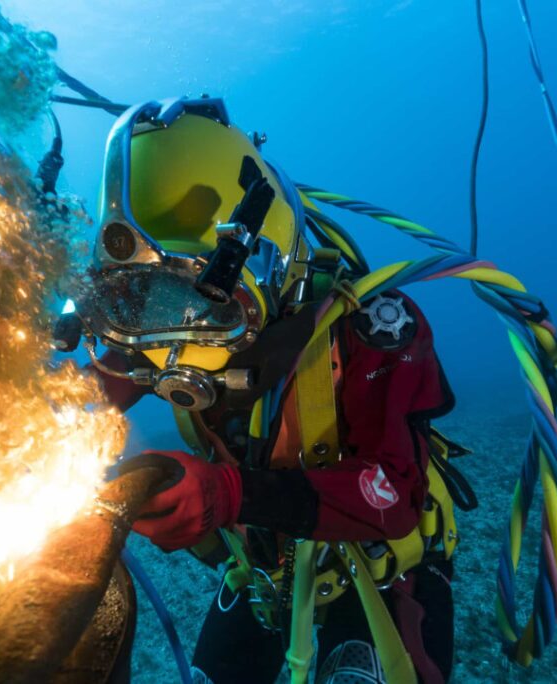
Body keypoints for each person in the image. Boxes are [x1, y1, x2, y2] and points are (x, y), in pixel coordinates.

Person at [58, 96, 472, 684]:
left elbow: (396, 494)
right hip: (263, 572)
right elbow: (75, 410)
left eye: (200, 299)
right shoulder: (147, 328)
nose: (173, 340)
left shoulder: (376, 329)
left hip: (380, 565)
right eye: (142, 298)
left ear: (264, 259)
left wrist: (227, 493)